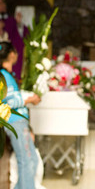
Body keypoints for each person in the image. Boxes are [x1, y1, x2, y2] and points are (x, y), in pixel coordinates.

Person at [1, 41, 41, 189]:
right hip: (14, 121)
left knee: (32, 160)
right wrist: (29, 99)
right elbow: (7, 101)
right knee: (26, 160)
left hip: (19, 122)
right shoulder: (3, 76)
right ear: (11, 55)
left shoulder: (8, 75)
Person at [0, 0, 28, 80]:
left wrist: (19, 24)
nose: (2, 5)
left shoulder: (11, 21)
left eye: (3, 3)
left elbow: (19, 40)